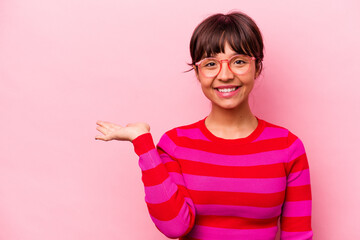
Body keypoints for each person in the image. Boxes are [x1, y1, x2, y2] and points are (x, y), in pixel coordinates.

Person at [95, 11, 313, 240]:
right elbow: (174, 227)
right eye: (211, 64)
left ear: (257, 67)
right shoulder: (175, 145)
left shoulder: (288, 147)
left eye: (239, 61)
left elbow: (298, 236)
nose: (225, 75)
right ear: (198, 73)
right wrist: (143, 143)